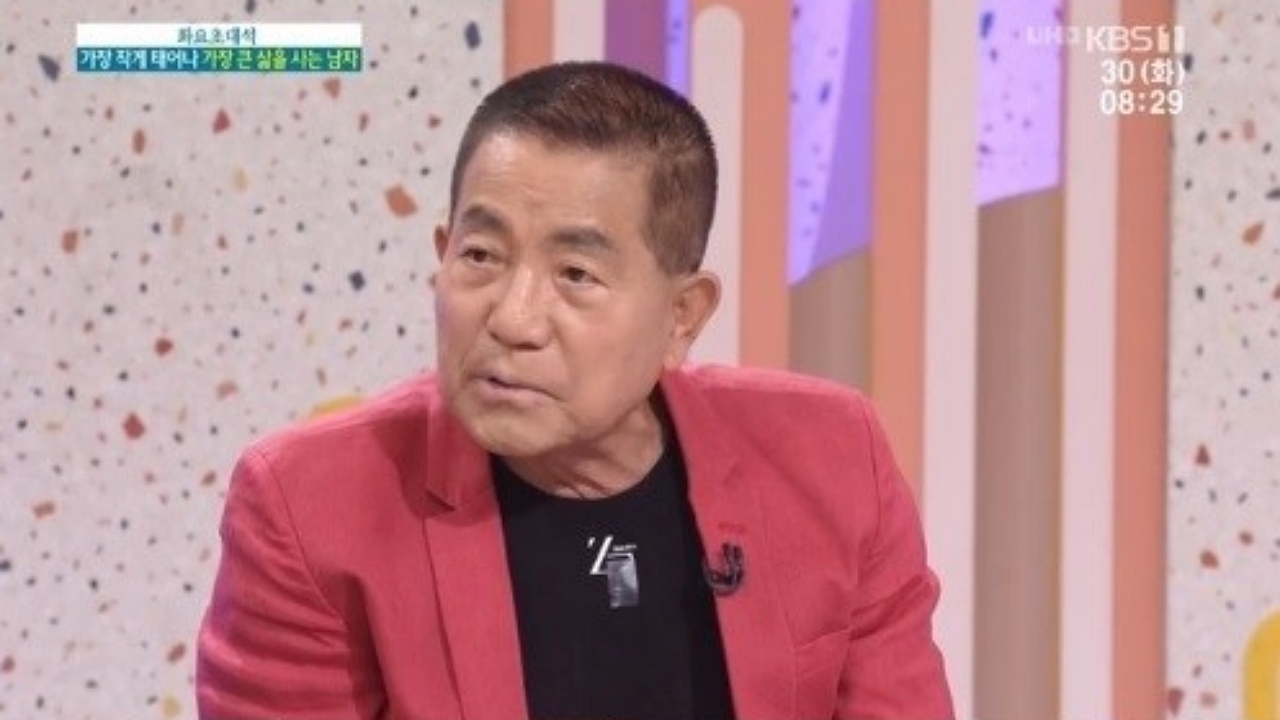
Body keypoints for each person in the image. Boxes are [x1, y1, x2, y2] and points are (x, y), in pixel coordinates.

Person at [196, 60, 953, 720]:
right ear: (442, 254)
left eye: (576, 274)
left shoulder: (830, 458)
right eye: (481, 256)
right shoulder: (310, 507)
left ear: (681, 316)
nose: (513, 319)